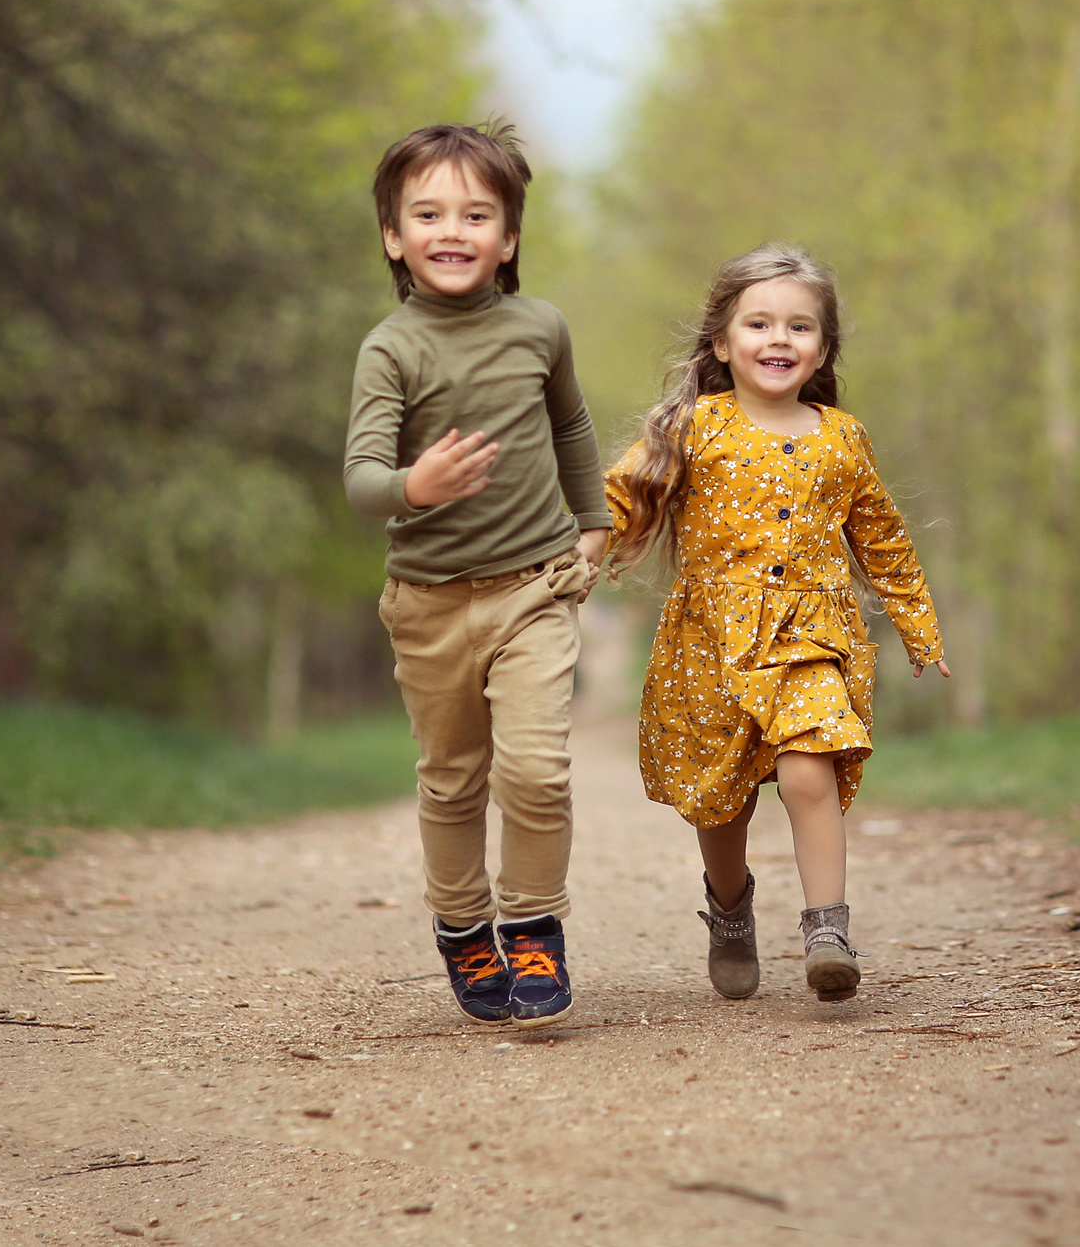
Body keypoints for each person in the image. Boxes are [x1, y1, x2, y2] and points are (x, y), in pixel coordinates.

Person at [604, 244, 949, 1002]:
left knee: (808, 767)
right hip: (712, 643)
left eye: (799, 326)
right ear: (722, 343)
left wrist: (918, 625)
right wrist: (583, 540)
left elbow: (882, 535)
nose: (778, 339)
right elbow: (624, 493)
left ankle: (828, 928)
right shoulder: (691, 427)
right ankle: (729, 909)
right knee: (720, 798)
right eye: (758, 323)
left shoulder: (841, 437)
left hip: (810, 637)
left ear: (822, 348)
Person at [343, 121, 611, 1028]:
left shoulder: (541, 327)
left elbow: (571, 428)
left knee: (536, 771)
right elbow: (361, 481)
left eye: (475, 213)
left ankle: (535, 926)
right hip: (428, 603)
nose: (450, 229)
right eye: (427, 212)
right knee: (454, 778)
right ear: (393, 236)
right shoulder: (391, 348)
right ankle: (463, 925)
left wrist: (596, 520)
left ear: (509, 238)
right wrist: (413, 487)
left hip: (533, 587)